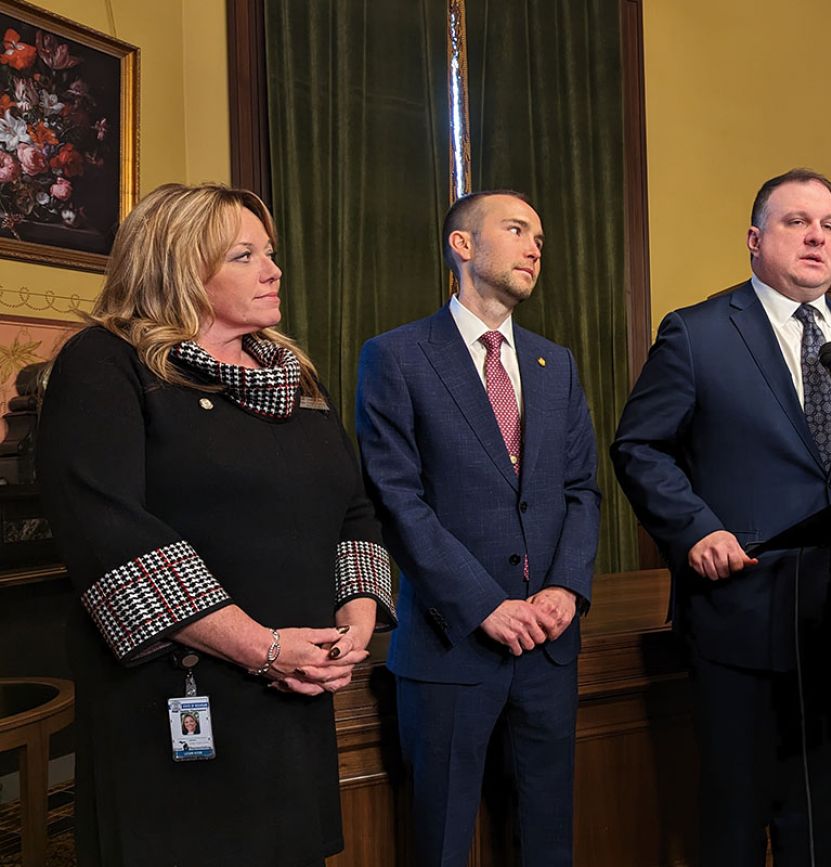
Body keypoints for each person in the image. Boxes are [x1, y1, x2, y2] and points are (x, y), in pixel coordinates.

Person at [37, 183, 396, 867]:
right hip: (177, 700)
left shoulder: (292, 376)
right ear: (177, 267)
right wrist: (261, 646)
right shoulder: (105, 361)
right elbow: (108, 533)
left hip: (295, 694)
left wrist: (354, 621)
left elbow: (353, 508)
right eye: (244, 254)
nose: (273, 269)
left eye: (270, 252)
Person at [610, 168, 831, 866]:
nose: (816, 236)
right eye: (795, 221)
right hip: (738, 611)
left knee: (822, 811)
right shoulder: (698, 332)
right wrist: (695, 529)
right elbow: (640, 446)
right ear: (754, 239)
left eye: (828, 225)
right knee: (735, 820)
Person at [355, 190, 600, 866]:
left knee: (547, 842)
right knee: (441, 844)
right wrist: (483, 604)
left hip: (549, 648)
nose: (534, 248)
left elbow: (581, 489)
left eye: (540, 239)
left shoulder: (558, 365)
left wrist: (565, 589)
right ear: (462, 246)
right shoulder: (396, 356)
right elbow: (396, 499)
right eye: (517, 230)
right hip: (449, 646)